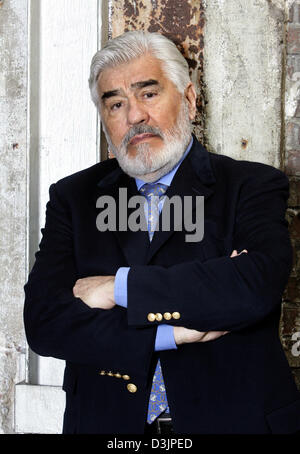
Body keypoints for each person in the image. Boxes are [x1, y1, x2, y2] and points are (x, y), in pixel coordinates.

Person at [24, 30, 300, 434]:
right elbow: (45, 323)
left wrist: (116, 288)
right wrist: (170, 333)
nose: (133, 116)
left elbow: (252, 288)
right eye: (115, 103)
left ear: (188, 99)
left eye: (148, 94)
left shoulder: (251, 186)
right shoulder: (74, 197)